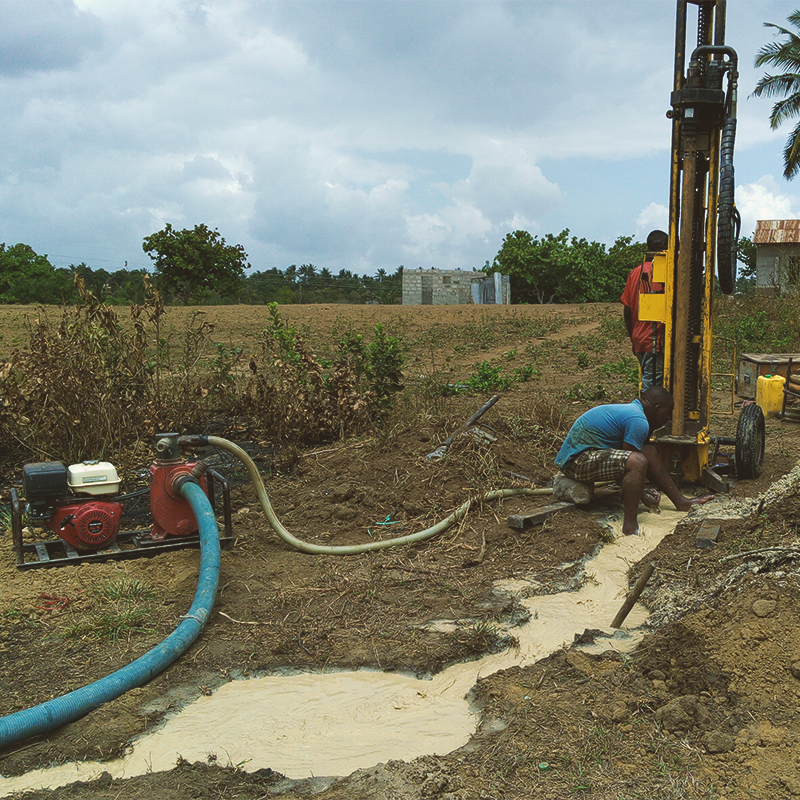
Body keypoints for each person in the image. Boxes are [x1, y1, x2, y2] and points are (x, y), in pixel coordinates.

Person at [554, 387, 714, 536]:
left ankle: (681, 502)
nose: (667, 419)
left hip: (586, 455)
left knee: (649, 452)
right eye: (667, 413)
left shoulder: (634, 412)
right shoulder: (639, 420)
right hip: (577, 461)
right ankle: (630, 526)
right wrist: (642, 495)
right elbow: (630, 463)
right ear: (657, 409)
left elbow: (630, 459)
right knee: (637, 461)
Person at [622, 229, 667, 390]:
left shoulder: (636, 272)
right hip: (654, 341)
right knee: (651, 388)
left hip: (640, 339)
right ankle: (646, 415)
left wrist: (633, 338)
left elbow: (627, 310)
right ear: (662, 246)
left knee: (649, 379)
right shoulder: (663, 272)